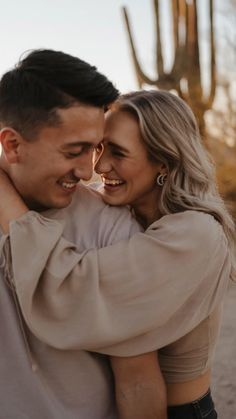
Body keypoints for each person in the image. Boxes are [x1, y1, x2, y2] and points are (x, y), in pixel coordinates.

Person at [0, 89, 235, 417]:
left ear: (164, 161)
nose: (100, 165)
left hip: (182, 411)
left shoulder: (196, 236)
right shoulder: (113, 210)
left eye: (119, 153)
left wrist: (3, 192)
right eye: (99, 147)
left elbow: (74, 293)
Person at [0, 50, 167, 419]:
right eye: (74, 151)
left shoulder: (111, 225)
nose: (88, 171)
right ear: (12, 145)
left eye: (94, 149)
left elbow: (137, 380)